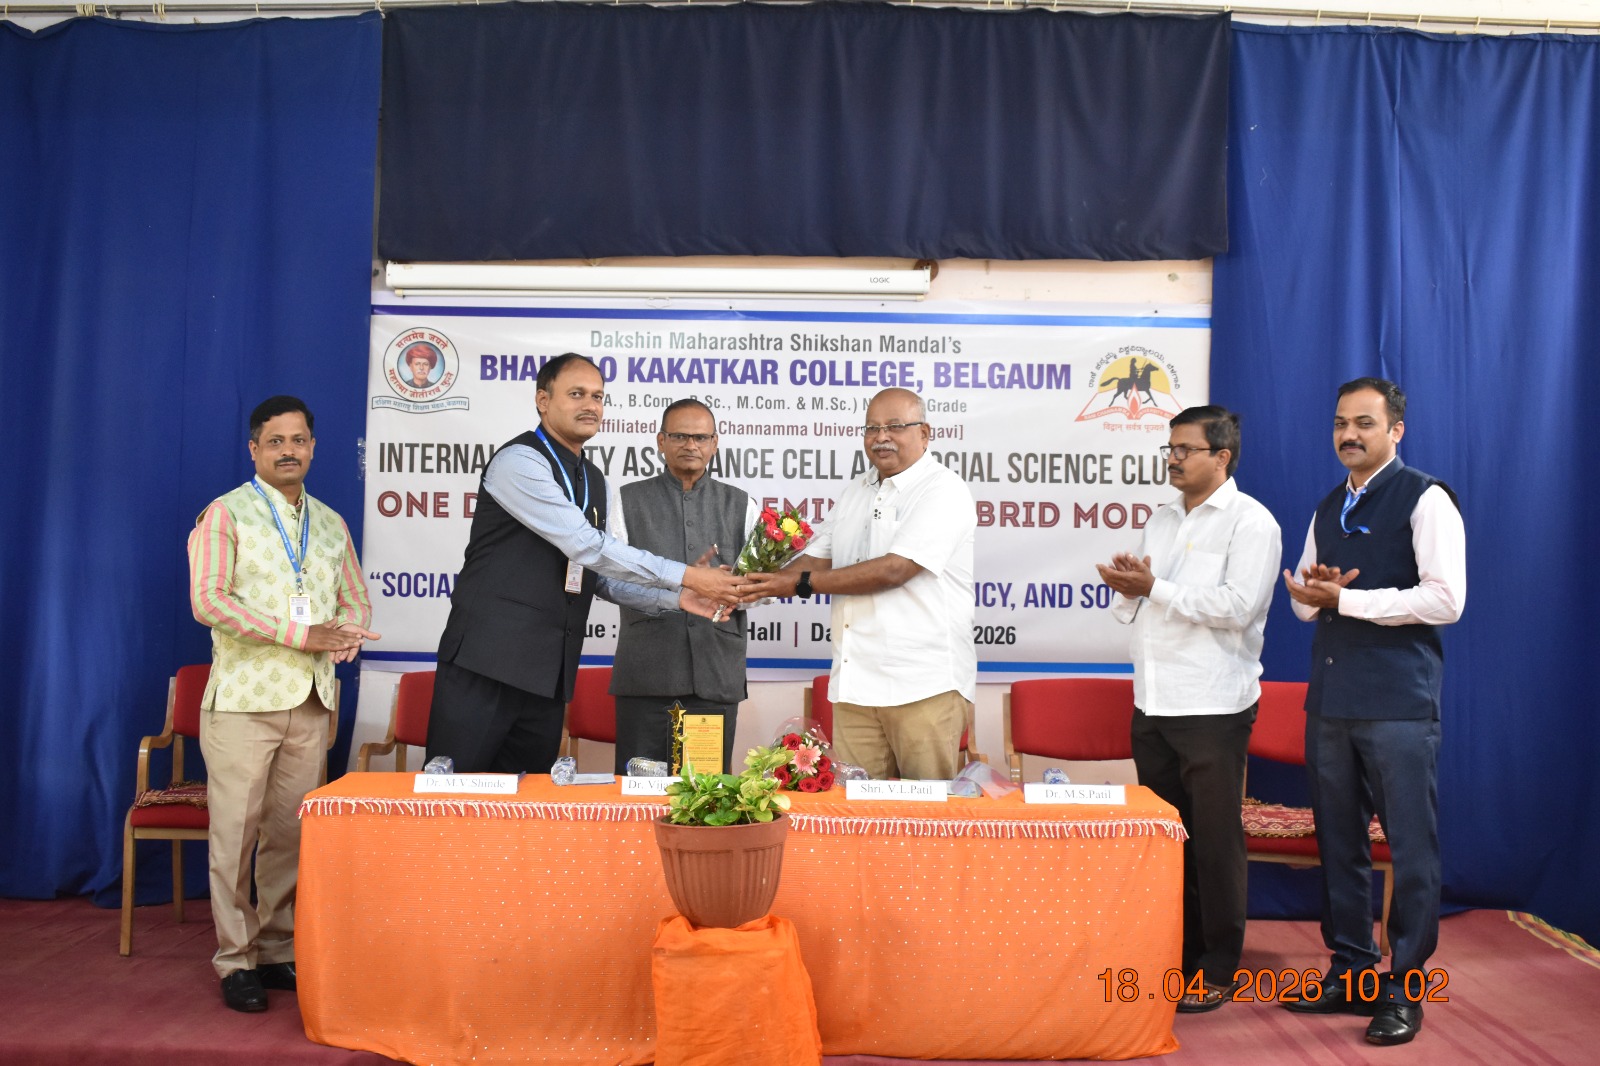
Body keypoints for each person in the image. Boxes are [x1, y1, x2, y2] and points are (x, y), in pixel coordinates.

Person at [425, 354, 745, 774]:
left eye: (597, 396)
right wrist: (687, 574)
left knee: (530, 802)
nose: (590, 405)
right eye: (576, 394)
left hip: (547, 675)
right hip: (487, 665)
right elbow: (585, 546)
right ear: (543, 400)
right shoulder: (519, 462)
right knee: (454, 797)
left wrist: (679, 598)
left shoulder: (594, 479)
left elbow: (600, 578)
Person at [1281, 377, 1465, 1046]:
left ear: (1395, 431)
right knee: (1339, 843)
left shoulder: (1426, 498)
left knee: (1411, 849)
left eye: (1364, 422)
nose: (1349, 434)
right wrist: (1315, 593)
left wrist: (1348, 601)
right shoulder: (1329, 504)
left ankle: (1405, 988)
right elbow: (1302, 602)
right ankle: (1351, 970)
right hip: (1332, 701)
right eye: (1340, 423)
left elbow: (1446, 599)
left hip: (1398, 705)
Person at [187, 395, 380, 1013]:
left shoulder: (330, 522)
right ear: (254, 449)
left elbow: (354, 596)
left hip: (312, 701)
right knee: (235, 838)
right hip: (244, 702)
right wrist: (302, 634)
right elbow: (208, 601)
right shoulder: (226, 514)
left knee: (289, 836)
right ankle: (234, 959)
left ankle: (275, 950)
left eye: (298, 440)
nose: (288, 451)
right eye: (275, 441)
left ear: (313, 448)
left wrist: (346, 633)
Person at [1096, 406, 1281, 1013]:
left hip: (1212, 704)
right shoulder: (1161, 517)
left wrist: (1154, 588)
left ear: (1221, 457)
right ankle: (1177, 952)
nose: (1172, 459)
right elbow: (1142, 602)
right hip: (1153, 699)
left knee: (1214, 842)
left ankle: (1219, 966)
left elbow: (1238, 606)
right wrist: (1130, 587)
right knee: (1168, 838)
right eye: (1169, 448)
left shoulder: (1251, 522)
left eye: (1185, 449)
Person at [742, 387, 976, 780]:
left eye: (895, 426)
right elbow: (817, 557)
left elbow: (894, 570)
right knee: (857, 809)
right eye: (872, 428)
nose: (881, 437)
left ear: (924, 433)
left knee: (928, 810)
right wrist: (748, 585)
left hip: (923, 685)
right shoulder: (857, 490)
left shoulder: (942, 489)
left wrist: (801, 584)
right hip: (857, 686)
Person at [609, 399, 758, 774]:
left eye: (700, 437)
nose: (691, 445)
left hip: (715, 674)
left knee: (705, 797)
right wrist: (681, 588)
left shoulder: (742, 504)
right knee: (638, 793)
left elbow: (765, 589)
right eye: (679, 436)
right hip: (646, 677)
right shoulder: (626, 500)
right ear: (661, 441)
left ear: (714, 443)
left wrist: (733, 589)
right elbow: (609, 580)